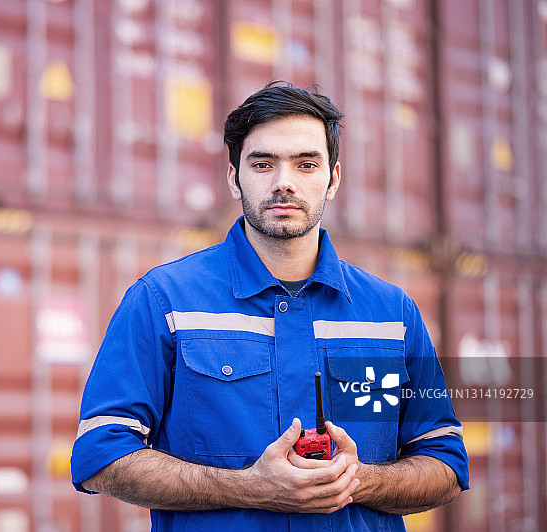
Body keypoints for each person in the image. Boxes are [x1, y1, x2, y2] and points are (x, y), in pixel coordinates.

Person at [70, 81, 469, 531]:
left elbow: (445, 464)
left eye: (306, 164)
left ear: (333, 179)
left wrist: (356, 481)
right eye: (263, 164)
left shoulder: (390, 314)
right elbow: (99, 455)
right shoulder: (165, 301)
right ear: (233, 176)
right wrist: (252, 486)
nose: (284, 183)